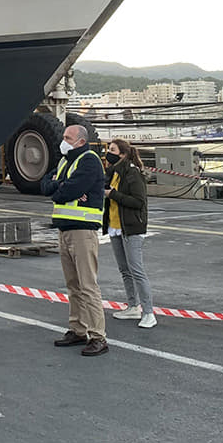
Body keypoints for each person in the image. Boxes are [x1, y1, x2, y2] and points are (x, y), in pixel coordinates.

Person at [42, 124, 109, 356]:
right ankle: (78, 329)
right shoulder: (64, 162)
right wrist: (59, 186)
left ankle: (98, 335)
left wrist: (59, 187)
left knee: (87, 285)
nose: (63, 140)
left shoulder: (89, 161)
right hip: (64, 230)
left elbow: (65, 190)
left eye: (67, 137)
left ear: (80, 141)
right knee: (73, 285)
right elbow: (45, 185)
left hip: (82, 231)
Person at [103, 138, 156, 329]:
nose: (109, 152)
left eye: (113, 149)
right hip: (115, 226)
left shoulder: (132, 173)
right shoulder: (114, 173)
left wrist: (113, 195)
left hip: (131, 228)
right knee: (124, 269)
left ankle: (148, 312)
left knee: (136, 269)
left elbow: (139, 201)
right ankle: (133, 305)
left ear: (123, 154)